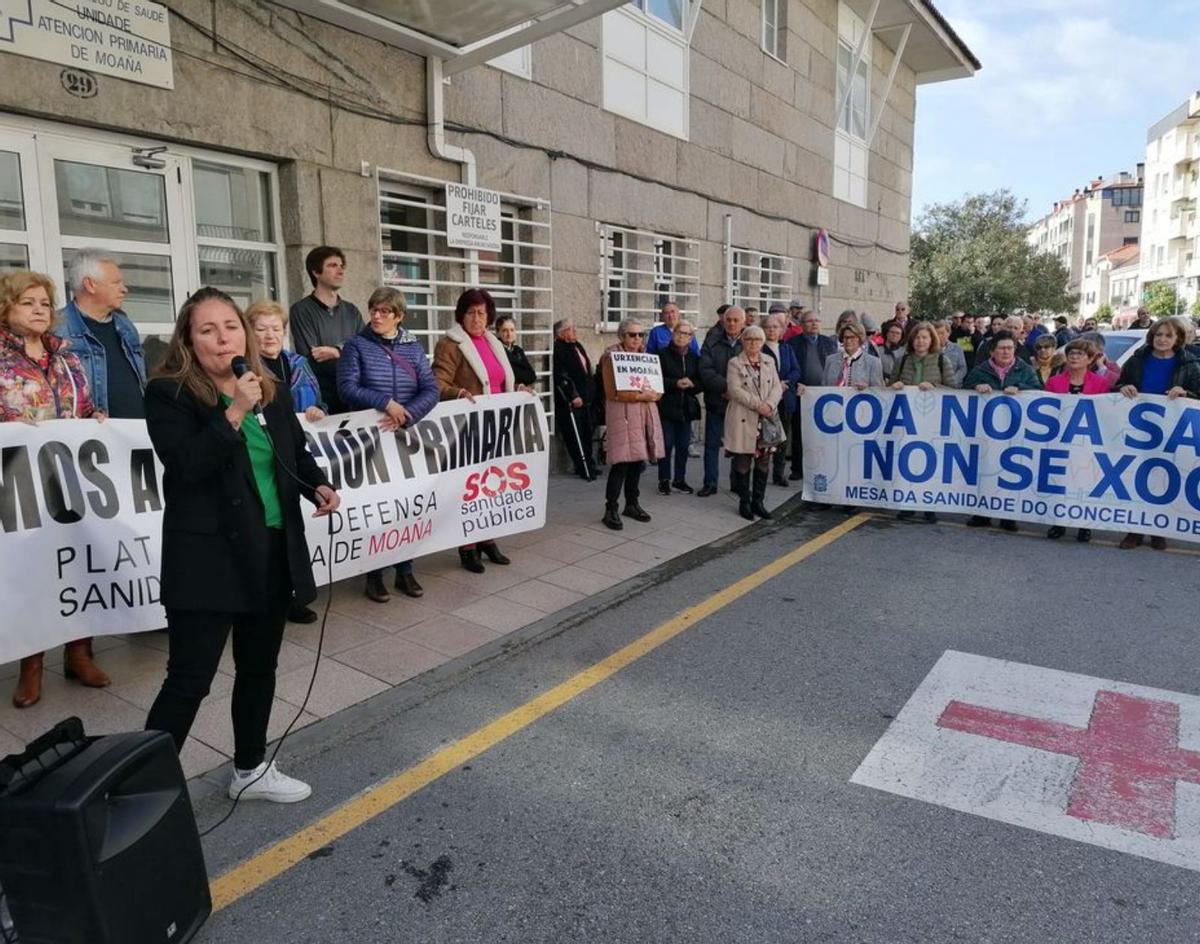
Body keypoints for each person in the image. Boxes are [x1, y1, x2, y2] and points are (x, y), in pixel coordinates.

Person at [144, 287, 340, 803]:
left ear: (244, 334)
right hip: (207, 560)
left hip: (270, 552)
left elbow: (294, 452)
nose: (221, 337)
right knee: (189, 680)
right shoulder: (169, 394)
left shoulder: (267, 388)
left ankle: (250, 770)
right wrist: (232, 411)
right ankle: (136, 792)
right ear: (188, 339)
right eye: (206, 329)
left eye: (229, 326)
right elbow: (186, 466)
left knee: (259, 668)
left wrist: (317, 482)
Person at [1, 271, 111, 709]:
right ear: (7, 308)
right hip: (20, 481)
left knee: (77, 563)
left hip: (70, 476)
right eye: (28, 302)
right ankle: (31, 665)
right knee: (34, 567)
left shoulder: (66, 355)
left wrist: (97, 416)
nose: (39, 311)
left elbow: (82, 405)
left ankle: (79, 653)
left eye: (45, 303)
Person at [338, 288, 439, 601]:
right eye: (374, 310)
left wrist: (406, 415)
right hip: (370, 439)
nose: (377, 316)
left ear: (399, 316)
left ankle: (405, 571)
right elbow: (346, 387)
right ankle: (374, 575)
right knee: (377, 507)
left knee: (407, 505)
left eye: (385, 311)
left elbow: (431, 389)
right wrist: (387, 403)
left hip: (405, 436)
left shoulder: (413, 348)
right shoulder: (356, 345)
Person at [434, 288, 527, 573]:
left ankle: (488, 539)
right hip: (469, 427)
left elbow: (501, 380)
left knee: (494, 485)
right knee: (471, 488)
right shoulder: (451, 344)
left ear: (489, 317)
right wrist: (458, 392)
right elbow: (437, 382)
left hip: (498, 425)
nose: (477, 318)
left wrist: (518, 390)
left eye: (482, 313)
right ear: (461, 315)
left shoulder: (493, 342)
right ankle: (467, 547)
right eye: (471, 312)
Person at [247, 300, 328, 624]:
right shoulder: (247, 373)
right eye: (261, 329)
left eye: (275, 329)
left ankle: (292, 597)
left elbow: (317, 398)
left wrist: (319, 408)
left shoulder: (298, 364)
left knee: (290, 537)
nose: (269, 336)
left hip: (293, 459)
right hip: (263, 467)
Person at [1115, 318, 1200, 551]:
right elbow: (1118, 385)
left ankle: (1159, 530)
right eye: (1158, 335)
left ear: (1178, 339)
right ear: (1151, 337)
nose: (1162, 339)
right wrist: (1123, 387)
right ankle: (1135, 529)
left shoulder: (1190, 364)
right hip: (1138, 430)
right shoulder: (1137, 361)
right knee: (1136, 477)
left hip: (1173, 431)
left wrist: (1187, 392)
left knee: (1163, 479)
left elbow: (1198, 394)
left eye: (1168, 336)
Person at [961, 330, 1041, 532]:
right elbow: (965, 386)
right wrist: (976, 386)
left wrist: (1020, 387)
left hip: (1015, 431)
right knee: (985, 469)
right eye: (1002, 348)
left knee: (1012, 472)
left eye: (1010, 348)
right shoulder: (981, 370)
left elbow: (1038, 389)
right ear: (992, 351)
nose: (1006, 352)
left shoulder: (1025, 369)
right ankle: (982, 513)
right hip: (986, 431)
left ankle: (1008, 516)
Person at [57, 249, 146, 420]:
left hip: (137, 438)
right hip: (92, 441)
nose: (124, 289)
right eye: (116, 283)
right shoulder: (57, 330)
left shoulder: (125, 326)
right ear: (90, 284)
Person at [1043, 339, 1114, 543]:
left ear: (1090, 358)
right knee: (1062, 481)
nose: (1074, 357)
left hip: (1088, 441)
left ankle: (1084, 524)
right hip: (1061, 439)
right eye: (1071, 353)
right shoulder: (1054, 382)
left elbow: (1105, 411)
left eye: (1080, 354)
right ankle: (1059, 522)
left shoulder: (1100, 383)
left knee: (1085, 481)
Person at [599, 319, 663, 530]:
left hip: (644, 415)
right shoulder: (611, 358)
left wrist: (653, 395)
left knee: (637, 461)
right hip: (624, 415)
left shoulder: (646, 358)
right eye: (632, 335)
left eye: (641, 335)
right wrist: (640, 395)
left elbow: (658, 389)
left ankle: (632, 504)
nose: (637, 339)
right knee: (621, 462)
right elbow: (611, 392)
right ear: (622, 336)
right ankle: (611, 509)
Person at [889, 322, 955, 523]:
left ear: (932, 340)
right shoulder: (902, 361)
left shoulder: (943, 361)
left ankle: (929, 506)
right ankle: (907, 504)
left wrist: (935, 386)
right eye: (917, 337)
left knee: (931, 462)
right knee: (907, 461)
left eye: (925, 337)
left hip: (932, 420)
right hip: (907, 420)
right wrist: (896, 385)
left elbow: (954, 389)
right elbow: (890, 386)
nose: (920, 341)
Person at [289, 246, 363, 414]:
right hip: (324, 401)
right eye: (332, 265)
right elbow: (314, 356)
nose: (340, 270)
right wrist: (351, 351)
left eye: (342, 266)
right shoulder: (301, 310)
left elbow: (366, 348)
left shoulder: (352, 311)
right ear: (316, 272)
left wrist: (338, 351)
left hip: (355, 395)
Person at [724, 325, 783, 521]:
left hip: (765, 417)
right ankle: (744, 502)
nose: (753, 343)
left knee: (764, 460)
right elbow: (734, 390)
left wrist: (771, 404)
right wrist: (759, 405)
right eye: (749, 339)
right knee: (743, 460)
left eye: (757, 340)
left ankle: (759, 501)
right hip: (744, 416)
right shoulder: (735, 363)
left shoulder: (769, 361)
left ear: (763, 342)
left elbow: (776, 386)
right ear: (743, 341)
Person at [697, 305, 745, 496]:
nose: (731, 323)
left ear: (743, 322)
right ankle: (710, 483)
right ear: (723, 321)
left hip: (740, 404)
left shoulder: (749, 342)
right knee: (711, 445)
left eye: (736, 320)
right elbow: (705, 370)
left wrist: (736, 392)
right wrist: (726, 388)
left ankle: (738, 483)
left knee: (739, 446)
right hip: (717, 400)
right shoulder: (712, 340)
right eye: (728, 320)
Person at [785, 309, 837, 482]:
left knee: (822, 433)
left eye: (817, 320)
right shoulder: (793, 343)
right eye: (809, 321)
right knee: (800, 432)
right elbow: (789, 367)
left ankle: (822, 466)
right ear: (801, 324)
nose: (814, 323)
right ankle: (797, 469)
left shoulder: (828, 342)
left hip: (823, 395)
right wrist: (796, 384)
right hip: (802, 393)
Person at [656, 319, 700, 494]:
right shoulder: (661, 355)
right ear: (673, 334)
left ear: (691, 338)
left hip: (686, 408)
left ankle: (679, 479)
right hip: (667, 406)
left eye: (687, 334)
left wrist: (692, 384)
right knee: (666, 445)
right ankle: (664, 479)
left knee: (683, 445)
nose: (682, 336)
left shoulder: (694, 358)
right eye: (679, 332)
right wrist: (675, 383)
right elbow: (655, 379)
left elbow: (701, 381)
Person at [552, 319, 597, 480]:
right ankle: (582, 466)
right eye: (571, 329)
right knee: (575, 434)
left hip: (586, 397)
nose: (575, 331)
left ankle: (590, 463)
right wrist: (573, 395)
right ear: (561, 333)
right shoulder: (559, 349)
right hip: (572, 400)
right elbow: (561, 375)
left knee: (587, 432)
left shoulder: (577, 346)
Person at [762, 312, 799, 487]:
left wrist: (786, 384)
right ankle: (762, 473)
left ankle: (779, 474)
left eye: (775, 327)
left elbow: (795, 370)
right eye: (768, 327)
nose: (771, 330)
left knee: (783, 438)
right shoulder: (760, 348)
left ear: (782, 330)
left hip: (786, 398)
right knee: (765, 437)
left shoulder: (786, 348)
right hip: (767, 400)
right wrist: (777, 384)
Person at [815, 321, 884, 389]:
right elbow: (823, 387)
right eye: (846, 337)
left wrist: (867, 389)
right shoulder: (831, 360)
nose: (848, 341)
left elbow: (878, 391)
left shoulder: (873, 362)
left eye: (852, 337)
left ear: (859, 339)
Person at [494, 313, 537, 388]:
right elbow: (507, 376)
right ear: (498, 333)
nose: (509, 334)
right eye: (505, 330)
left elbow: (532, 376)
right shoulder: (496, 350)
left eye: (512, 330)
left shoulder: (518, 350)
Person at [932, 319, 967, 387]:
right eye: (937, 333)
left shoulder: (957, 348)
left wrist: (953, 381)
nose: (939, 336)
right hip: (935, 387)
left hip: (954, 387)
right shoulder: (931, 349)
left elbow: (963, 368)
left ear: (948, 333)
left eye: (942, 333)